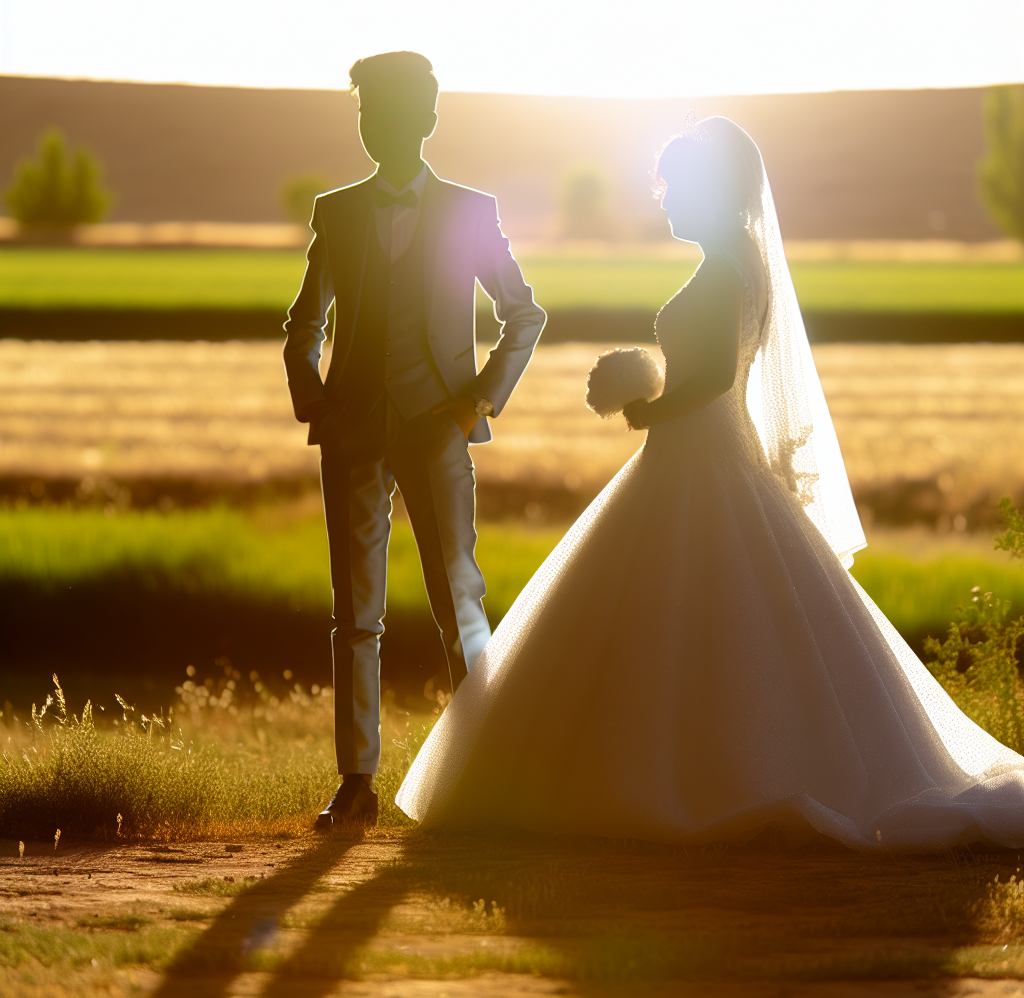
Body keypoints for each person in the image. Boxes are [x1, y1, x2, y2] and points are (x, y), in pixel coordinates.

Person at [396, 116, 1024, 850]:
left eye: (676, 186)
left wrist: (650, 404)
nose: (664, 199)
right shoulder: (732, 262)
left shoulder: (727, 269)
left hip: (705, 458)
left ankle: (689, 781)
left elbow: (721, 375)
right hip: (693, 457)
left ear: (712, 191)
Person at [283, 52, 546, 830]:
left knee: (458, 602)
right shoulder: (335, 212)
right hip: (352, 430)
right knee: (354, 614)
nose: (377, 129)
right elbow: (305, 323)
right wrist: (317, 404)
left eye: (392, 115)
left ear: (427, 119)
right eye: (367, 115)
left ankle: (486, 777)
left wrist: (475, 406)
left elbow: (523, 314)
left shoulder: (471, 212)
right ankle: (356, 783)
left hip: (440, 430)